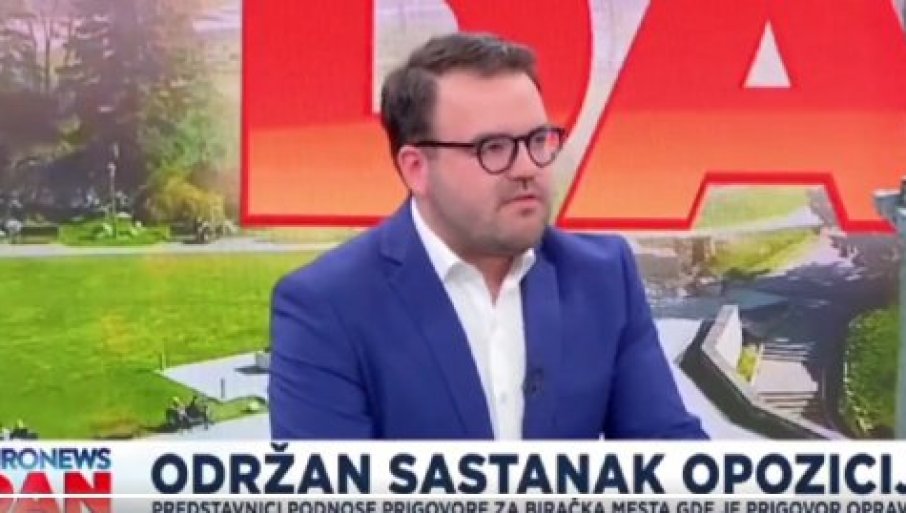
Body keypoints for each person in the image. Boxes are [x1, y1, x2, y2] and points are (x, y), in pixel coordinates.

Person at [269, 32, 708, 440]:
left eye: (538, 140)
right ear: (416, 169)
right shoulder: (327, 306)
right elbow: (330, 486)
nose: (527, 168)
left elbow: (671, 455)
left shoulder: (602, 277)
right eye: (493, 148)